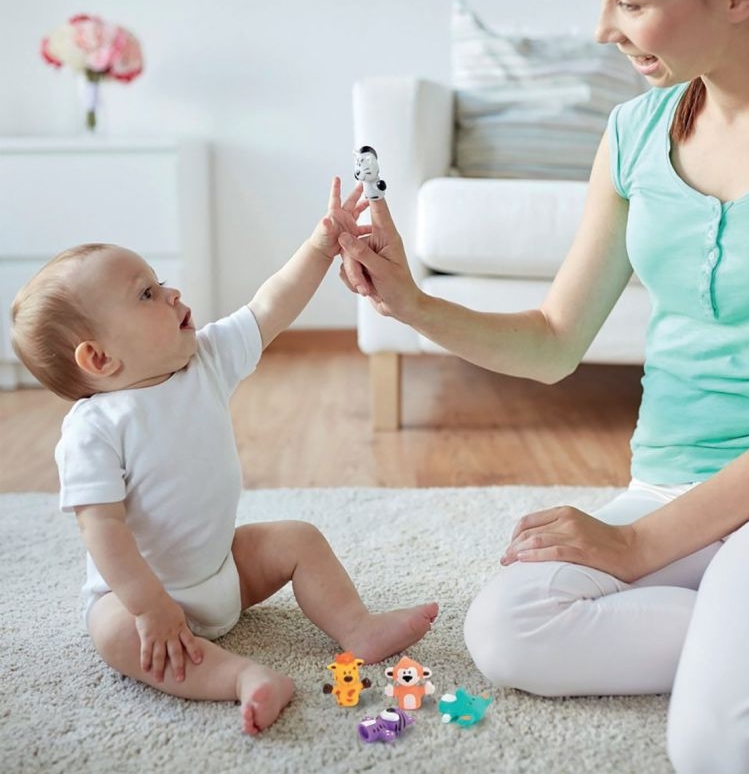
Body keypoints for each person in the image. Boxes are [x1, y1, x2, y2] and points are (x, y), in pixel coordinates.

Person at [337, 0, 749, 771]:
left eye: (628, 0)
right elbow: (554, 340)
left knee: (724, 747)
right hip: (670, 481)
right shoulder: (636, 131)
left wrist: (636, 545)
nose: (600, 31)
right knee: (508, 631)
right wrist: (411, 304)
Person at [10, 177, 438, 736]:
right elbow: (103, 531)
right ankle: (242, 678)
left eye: (159, 282)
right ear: (98, 357)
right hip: (147, 598)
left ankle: (357, 626)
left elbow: (271, 305)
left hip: (222, 571)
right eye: (146, 294)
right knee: (112, 633)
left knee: (298, 539)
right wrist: (148, 606)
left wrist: (321, 244)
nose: (171, 294)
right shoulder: (93, 429)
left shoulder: (204, 360)